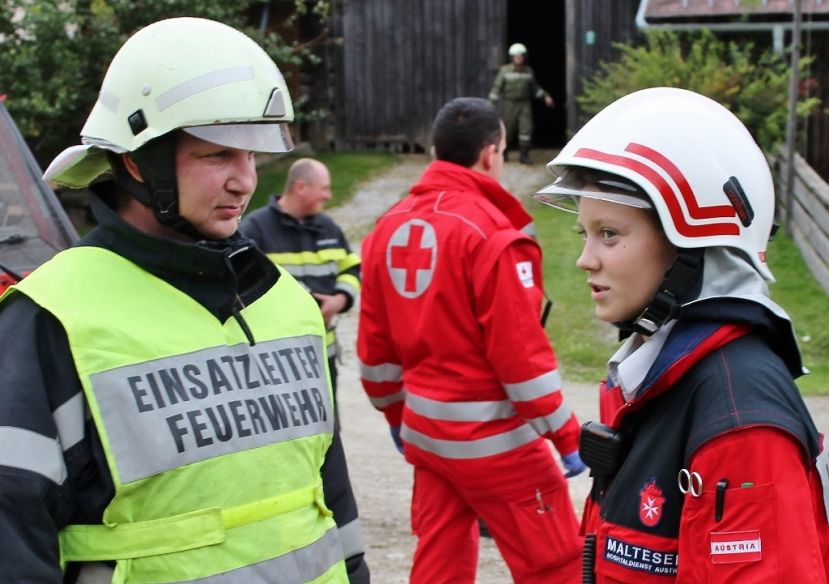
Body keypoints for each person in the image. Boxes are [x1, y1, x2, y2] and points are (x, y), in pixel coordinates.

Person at [0, 17, 369, 583]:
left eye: (252, 156)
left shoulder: (284, 302)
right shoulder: (52, 317)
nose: (244, 181)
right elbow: (12, 530)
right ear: (135, 161)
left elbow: (330, 493)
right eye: (218, 154)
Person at [534, 86, 829, 582]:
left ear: (692, 246)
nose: (586, 259)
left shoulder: (739, 416)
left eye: (610, 233)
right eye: (584, 234)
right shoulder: (663, 375)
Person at [357, 96, 586, 584]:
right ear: (491, 154)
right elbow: (521, 360)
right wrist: (567, 437)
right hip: (497, 444)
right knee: (558, 564)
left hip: (428, 439)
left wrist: (398, 418)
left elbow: (376, 358)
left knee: (440, 559)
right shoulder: (491, 236)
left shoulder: (384, 230)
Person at [240, 158, 361, 419]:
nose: (329, 195)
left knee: (328, 431)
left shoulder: (328, 227)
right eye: (325, 188)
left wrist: (339, 300)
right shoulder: (255, 228)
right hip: (276, 363)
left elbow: (351, 268)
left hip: (323, 356)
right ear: (301, 187)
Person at [488, 42, 554, 165]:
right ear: (512, 57)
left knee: (526, 130)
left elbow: (534, 88)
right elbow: (497, 88)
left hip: (524, 104)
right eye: (516, 56)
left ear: (524, 56)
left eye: (521, 55)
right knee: (507, 129)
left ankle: (524, 155)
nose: (519, 58)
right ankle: (504, 153)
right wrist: (490, 104)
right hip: (509, 104)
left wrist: (546, 97)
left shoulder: (528, 71)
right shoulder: (505, 71)